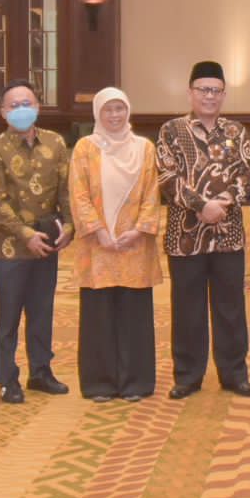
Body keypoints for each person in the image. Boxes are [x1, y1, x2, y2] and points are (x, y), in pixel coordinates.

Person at [156, 60, 250, 400]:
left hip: (227, 235)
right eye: (203, 89)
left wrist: (226, 200)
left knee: (230, 307)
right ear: (190, 92)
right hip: (185, 235)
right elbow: (166, 176)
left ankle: (234, 374)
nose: (209, 96)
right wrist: (202, 206)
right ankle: (188, 376)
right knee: (187, 307)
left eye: (216, 90)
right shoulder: (171, 131)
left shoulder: (236, 132)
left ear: (224, 95)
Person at [70, 88, 164, 402]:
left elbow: (153, 193)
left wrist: (139, 230)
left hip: (134, 244)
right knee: (98, 314)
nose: (114, 116)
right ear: (98, 113)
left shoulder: (144, 148)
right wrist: (97, 231)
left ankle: (136, 382)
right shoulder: (85, 148)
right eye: (108, 110)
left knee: (134, 313)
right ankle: (100, 382)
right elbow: (78, 194)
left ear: (128, 111)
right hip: (98, 245)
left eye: (119, 109)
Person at [0, 80, 73, 403]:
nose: (21, 110)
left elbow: (65, 190)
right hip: (10, 247)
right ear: (3, 112)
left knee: (42, 311)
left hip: (48, 241)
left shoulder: (56, 143)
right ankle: (7, 378)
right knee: (8, 315)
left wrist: (70, 225)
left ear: (37, 106)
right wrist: (25, 234)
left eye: (27, 103)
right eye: (14, 105)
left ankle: (41, 371)